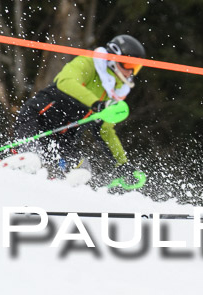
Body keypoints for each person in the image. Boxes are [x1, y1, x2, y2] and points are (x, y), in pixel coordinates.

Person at [11, 34, 146, 187]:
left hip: (65, 138)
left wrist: (122, 164)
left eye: (136, 68)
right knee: (33, 156)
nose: (131, 72)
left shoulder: (115, 91)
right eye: (129, 65)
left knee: (82, 170)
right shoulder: (89, 63)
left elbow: (105, 130)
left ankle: (60, 193)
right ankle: (11, 173)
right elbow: (65, 82)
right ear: (115, 58)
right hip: (38, 118)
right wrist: (96, 104)